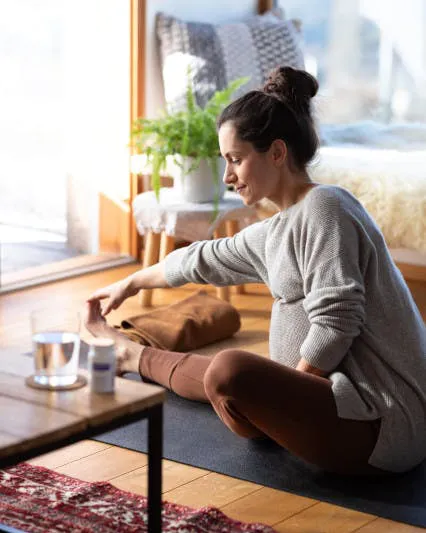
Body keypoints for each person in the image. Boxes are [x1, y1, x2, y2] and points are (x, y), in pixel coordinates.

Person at [86, 66, 426, 476]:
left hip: (382, 423)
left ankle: (262, 411)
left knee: (231, 371)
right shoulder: (276, 230)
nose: (228, 176)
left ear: (277, 153)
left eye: (236, 159)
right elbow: (202, 258)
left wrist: (287, 393)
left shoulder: (326, 207)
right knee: (224, 375)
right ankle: (132, 354)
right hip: (335, 408)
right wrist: (129, 283)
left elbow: (337, 323)